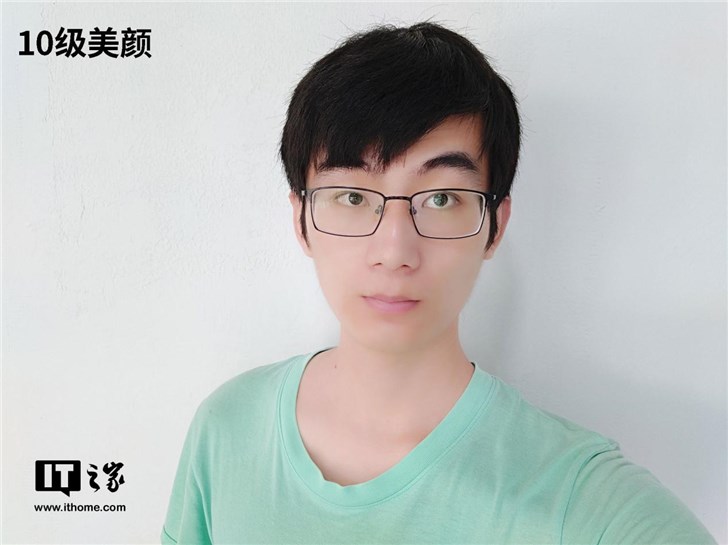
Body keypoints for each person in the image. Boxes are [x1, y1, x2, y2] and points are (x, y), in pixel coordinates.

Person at [161, 22, 716, 544]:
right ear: (301, 220)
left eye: (442, 198)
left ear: (495, 226)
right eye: (352, 196)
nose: (394, 251)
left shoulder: (577, 496)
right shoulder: (227, 430)